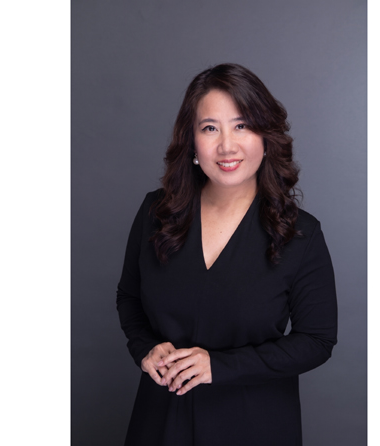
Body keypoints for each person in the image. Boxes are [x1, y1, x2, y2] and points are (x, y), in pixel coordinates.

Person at [116, 63, 338, 446]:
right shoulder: (156, 213)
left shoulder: (301, 234)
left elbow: (316, 341)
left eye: (242, 125)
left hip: (254, 425)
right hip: (161, 420)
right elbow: (129, 298)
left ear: (266, 137)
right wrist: (144, 349)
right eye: (209, 128)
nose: (227, 146)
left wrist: (218, 366)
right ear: (191, 141)